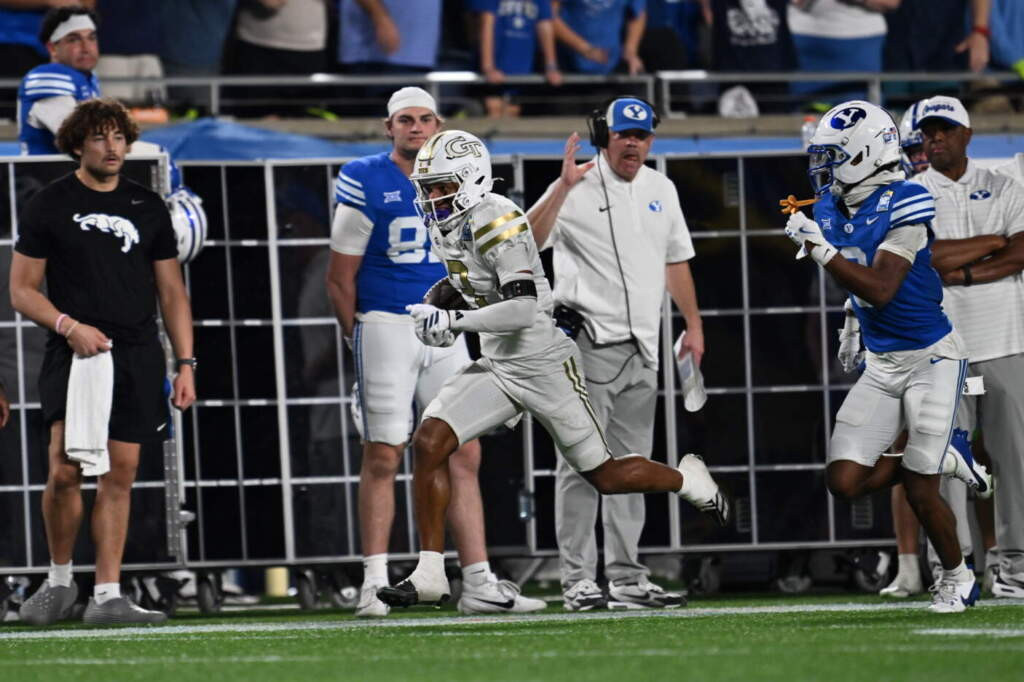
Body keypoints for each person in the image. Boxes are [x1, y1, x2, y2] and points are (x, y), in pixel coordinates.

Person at [376, 129, 728, 610]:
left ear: (471, 180)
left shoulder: (497, 218)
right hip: (499, 362)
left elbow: (522, 309)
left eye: (442, 186)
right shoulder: (448, 222)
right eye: (428, 187)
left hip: (544, 363)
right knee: (430, 441)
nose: (432, 197)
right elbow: (471, 280)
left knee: (605, 475)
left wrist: (453, 322)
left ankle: (687, 480)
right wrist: (437, 304)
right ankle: (431, 571)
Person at [325, 87, 545, 617]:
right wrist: (358, 335)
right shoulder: (365, 177)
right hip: (386, 322)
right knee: (384, 452)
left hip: (445, 324)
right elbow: (339, 277)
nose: (416, 127)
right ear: (389, 127)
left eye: (425, 118)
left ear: (439, 125)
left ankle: (479, 582)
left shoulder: (457, 175)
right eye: (405, 119)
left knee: (463, 451)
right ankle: (374, 581)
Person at [785, 99, 992, 613]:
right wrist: (851, 319)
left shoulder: (908, 199)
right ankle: (944, 454)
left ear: (864, 154)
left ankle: (958, 577)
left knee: (922, 490)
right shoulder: (831, 205)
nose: (824, 166)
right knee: (844, 480)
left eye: (834, 155)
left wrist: (821, 251)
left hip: (930, 357)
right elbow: (859, 278)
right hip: (882, 361)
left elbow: (881, 286)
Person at [10, 97, 196, 625]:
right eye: (99, 137)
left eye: (118, 137)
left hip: (136, 352)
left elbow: (171, 291)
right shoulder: (49, 203)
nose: (111, 147)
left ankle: (108, 594)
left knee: (120, 473)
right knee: (64, 469)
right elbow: (22, 290)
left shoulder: (147, 205)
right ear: (77, 145)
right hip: (73, 351)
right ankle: (58, 582)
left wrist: (186, 362)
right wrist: (69, 327)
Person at [523, 97, 703, 610]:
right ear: (605, 136)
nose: (632, 144)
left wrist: (693, 325)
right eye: (624, 134)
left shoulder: (661, 188)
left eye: (641, 136)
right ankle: (578, 580)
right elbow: (527, 242)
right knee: (580, 466)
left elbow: (675, 261)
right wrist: (561, 187)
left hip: (645, 347)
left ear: (651, 141)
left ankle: (626, 578)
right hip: (587, 346)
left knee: (634, 467)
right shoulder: (575, 186)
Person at [912, 95, 1024, 600]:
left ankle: (1016, 569)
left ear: (967, 135)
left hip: (1006, 342)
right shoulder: (912, 192)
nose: (935, 138)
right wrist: (993, 241)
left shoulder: (1005, 184)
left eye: (945, 129)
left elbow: (1022, 249)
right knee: (944, 462)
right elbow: (925, 257)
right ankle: (953, 570)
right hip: (941, 350)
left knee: (1016, 461)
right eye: (928, 131)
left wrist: (966, 274)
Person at [17, 5, 100, 155]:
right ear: (52, 48)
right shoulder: (48, 77)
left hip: (73, 168)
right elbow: (80, 139)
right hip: (44, 170)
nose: (86, 47)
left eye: (91, 38)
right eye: (74, 40)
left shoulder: (88, 78)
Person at [473, 0, 562, 118]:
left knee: (513, 111)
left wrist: (551, 66)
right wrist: (488, 66)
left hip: (521, 68)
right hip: (495, 68)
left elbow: (544, 25)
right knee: (493, 109)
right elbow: (486, 24)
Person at [553, 0, 646, 75]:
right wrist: (584, 48)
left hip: (613, 67)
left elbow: (638, 14)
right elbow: (550, 16)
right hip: (566, 68)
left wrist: (630, 51)